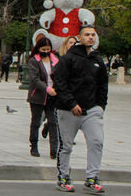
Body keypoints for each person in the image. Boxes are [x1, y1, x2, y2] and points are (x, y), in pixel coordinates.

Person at [53, 25, 108, 193]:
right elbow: (60, 83)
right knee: (66, 145)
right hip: (67, 110)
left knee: (97, 141)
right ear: (79, 37)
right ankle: (63, 176)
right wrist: (71, 103)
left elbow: (102, 85)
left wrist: (100, 106)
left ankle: (92, 178)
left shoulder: (98, 60)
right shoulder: (68, 58)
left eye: (93, 35)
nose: (90, 37)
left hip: (91, 109)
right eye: (87, 34)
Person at [27, 37, 59, 159]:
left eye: (48, 49)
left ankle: (54, 149)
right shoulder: (33, 61)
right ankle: (34, 145)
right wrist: (47, 89)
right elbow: (35, 79)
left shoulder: (55, 60)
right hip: (38, 96)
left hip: (53, 96)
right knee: (36, 121)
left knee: (53, 122)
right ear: (38, 49)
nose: (46, 51)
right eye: (43, 49)